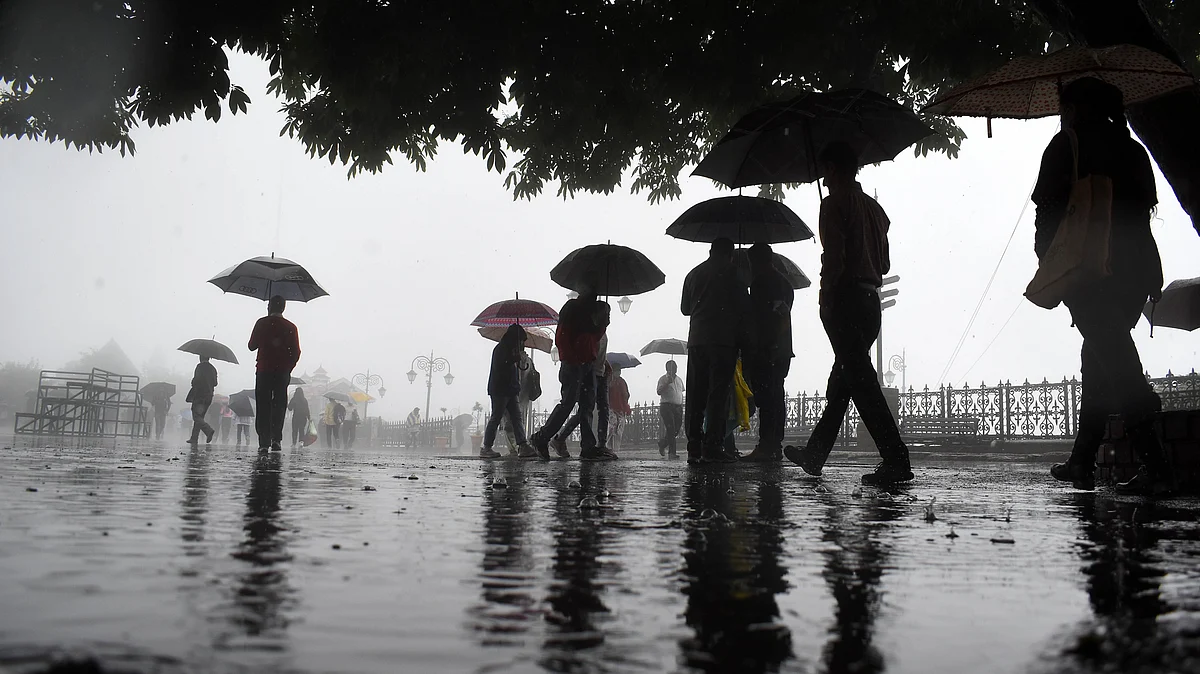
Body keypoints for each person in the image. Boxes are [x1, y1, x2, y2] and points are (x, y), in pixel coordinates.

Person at [1034, 78, 1169, 495]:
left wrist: (1050, 265)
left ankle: (1157, 467)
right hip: (1135, 272)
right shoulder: (1133, 150)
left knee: (1117, 360)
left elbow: (1047, 214)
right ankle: (1082, 460)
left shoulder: (1066, 146)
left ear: (1074, 108)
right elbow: (1144, 216)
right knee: (1097, 357)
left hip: (1087, 271)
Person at [784, 141, 912, 486]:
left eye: (825, 172)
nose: (824, 180)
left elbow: (835, 260)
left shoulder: (832, 204)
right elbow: (884, 264)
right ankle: (815, 453)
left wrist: (826, 297)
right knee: (846, 379)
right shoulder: (876, 210)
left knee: (861, 382)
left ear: (833, 169)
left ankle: (896, 458)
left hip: (844, 300)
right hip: (870, 303)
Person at [681, 237, 748, 463]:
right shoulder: (734, 274)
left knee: (696, 394)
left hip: (697, 340)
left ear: (711, 251)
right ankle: (712, 446)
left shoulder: (693, 274)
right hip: (723, 341)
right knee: (718, 394)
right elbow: (743, 307)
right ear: (730, 254)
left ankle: (694, 446)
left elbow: (685, 309)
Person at [531, 293, 616, 461]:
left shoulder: (590, 311)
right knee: (568, 404)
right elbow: (562, 337)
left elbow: (593, 339)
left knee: (587, 406)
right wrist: (572, 358)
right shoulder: (573, 309)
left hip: (587, 363)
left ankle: (588, 446)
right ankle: (541, 437)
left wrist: (601, 325)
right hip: (573, 364)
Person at [742, 243, 795, 462]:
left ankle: (766, 445)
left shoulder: (760, 283)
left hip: (765, 348)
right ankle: (775, 444)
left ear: (754, 262)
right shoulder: (785, 284)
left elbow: (757, 318)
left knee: (765, 397)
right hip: (782, 348)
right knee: (776, 395)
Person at [248, 295, 301, 452]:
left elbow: (251, 346)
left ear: (269, 307)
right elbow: (296, 352)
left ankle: (264, 441)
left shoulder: (262, 323)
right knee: (279, 404)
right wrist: (288, 367)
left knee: (263, 404)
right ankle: (276, 438)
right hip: (282, 372)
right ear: (283, 308)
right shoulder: (291, 327)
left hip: (264, 370)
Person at [551, 332, 611, 458]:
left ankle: (601, 444)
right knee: (585, 411)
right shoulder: (590, 331)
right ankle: (561, 438)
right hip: (591, 373)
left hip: (601, 373)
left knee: (602, 409)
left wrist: (604, 363)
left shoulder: (601, 332)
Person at [480, 323, 536, 459]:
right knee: (496, 417)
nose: (522, 344)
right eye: (521, 341)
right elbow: (500, 367)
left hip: (511, 389)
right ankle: (486, 447)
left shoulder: (511, 349)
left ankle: (522, 445)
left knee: (517, 418)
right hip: (500, 390)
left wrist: (518, 360)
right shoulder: (500, 349)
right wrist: (512, 359)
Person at [186, 356, 218, 448]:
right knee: (200, 416)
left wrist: (193, 381)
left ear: (200, 358)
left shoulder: (200, 367)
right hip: (209, 396)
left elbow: (196, 380)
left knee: (196, 416)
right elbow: (215, 383)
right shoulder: (213, 368)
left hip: (200, 395)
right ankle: (194, 437)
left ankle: (208, 430)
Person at [656, 360, 684, 458]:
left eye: (675, 367)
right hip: (667, 406)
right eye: (671, 367)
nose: (674, 369)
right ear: (667, 369)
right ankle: (672, 452)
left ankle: (663, 444)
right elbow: (659, 391)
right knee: (671, 428)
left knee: (677, 428)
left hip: (678, 406)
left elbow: (681, 391)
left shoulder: (679, 380)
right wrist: (667, 383)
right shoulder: (663, 379)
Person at [607, 363, 631, 453]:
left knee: (619, 429)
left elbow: (626, 394)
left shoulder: (622, 381)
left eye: (619, 370)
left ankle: (615, 448)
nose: (618, 372)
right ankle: (609, 447)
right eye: (616, 370)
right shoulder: (610, 381)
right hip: (612, 407)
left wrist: (625, 404)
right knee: (612, 427)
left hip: (620, 408)